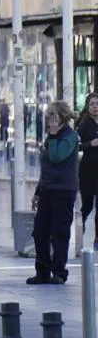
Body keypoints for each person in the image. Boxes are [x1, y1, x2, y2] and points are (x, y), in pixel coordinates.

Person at [28, 100, 81, 285]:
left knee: (59, 232)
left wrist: (53, 135)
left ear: (62, 118)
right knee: (39, 231)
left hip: (64, 191)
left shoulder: (70, 136)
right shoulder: (50, 137)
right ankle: (42, 270)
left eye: (54, 116)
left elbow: (57, 157)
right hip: (48, 190)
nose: (50, 120)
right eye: (49, 116)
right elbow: (46, 167)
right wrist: (38, 191)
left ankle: (59, 271)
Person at [78, 92, 98, 246]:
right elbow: (76, 146)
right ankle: (80, 230)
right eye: (92, 104)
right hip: (88, 170)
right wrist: (90, 144)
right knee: (87, 204)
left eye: (97, 104)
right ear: (87, 106)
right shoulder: (84, 124)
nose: (95, 107)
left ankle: (97, 238)